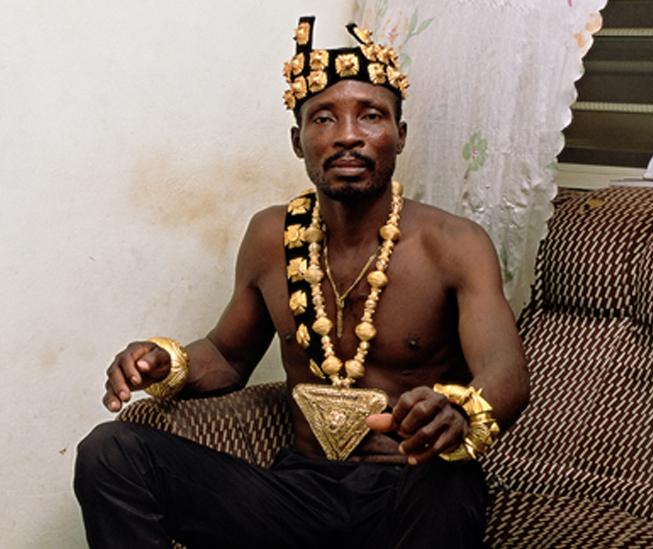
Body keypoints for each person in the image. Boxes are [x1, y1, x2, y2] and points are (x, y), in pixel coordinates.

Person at [74, 17, 529, 549]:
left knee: (449, 482)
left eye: (372, 116)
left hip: (413, 483)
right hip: (301, 489)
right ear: (298, 141)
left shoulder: (454, 243)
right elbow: (226, 356)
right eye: (324, 119)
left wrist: (456, 410)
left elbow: (506, 372)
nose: (348, 135)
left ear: (400, 136)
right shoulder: (272, 236)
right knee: (110, 452)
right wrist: (162, 360)